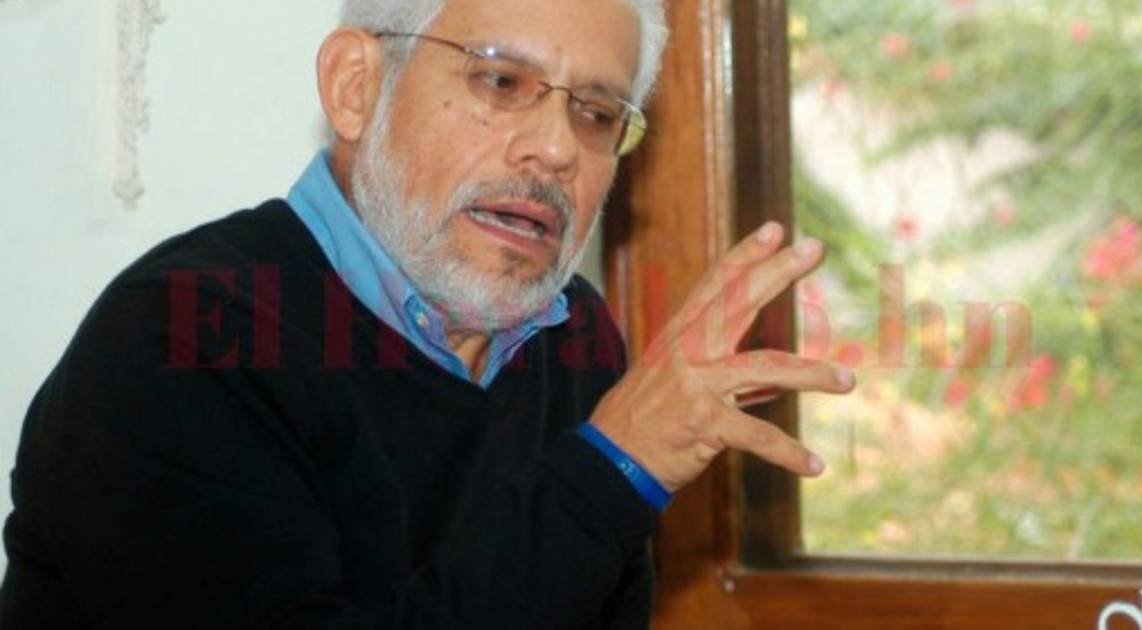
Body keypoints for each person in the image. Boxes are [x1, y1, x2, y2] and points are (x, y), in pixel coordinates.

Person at [0, 0, 854, 628]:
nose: (557, 148)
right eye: (501, 81)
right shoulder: (179, 341)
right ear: (356, 86)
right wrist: (614, 467)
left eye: (596, 114)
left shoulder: (574, 339)